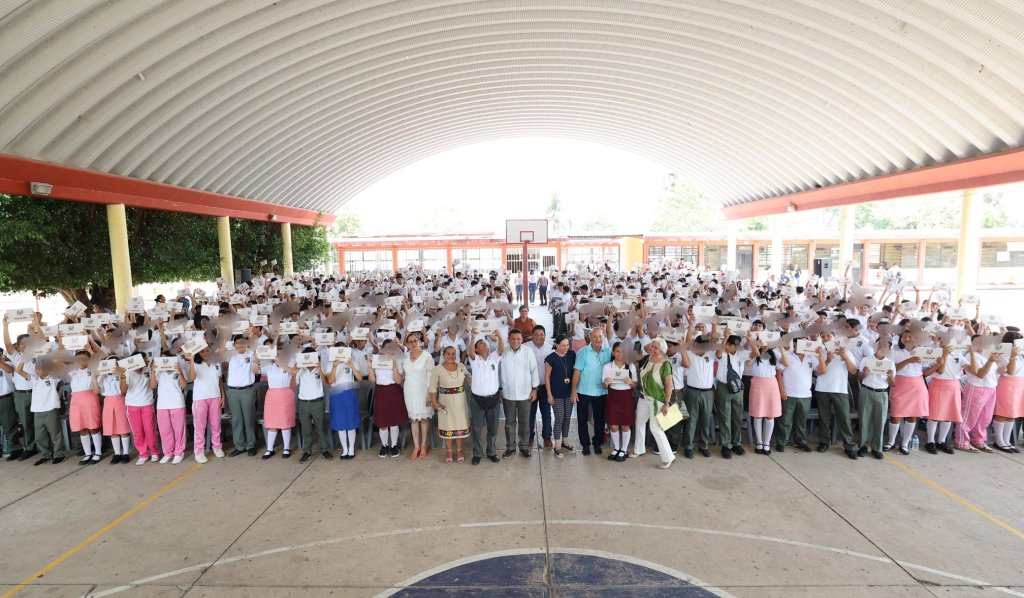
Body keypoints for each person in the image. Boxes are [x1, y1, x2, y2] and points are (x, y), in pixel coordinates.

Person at [813, 332, 859, 459]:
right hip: (822, 389)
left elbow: (853, 371)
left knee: (844, 418)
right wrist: (827, 359)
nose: (826, 338)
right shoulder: (820, 352)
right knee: (824, 418)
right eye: (823, 337)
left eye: (828, 336)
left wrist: (844, 356)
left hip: (840, 389)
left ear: (835, 338)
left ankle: (849, 446)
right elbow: (818, 373)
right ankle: (824, 442)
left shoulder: (846, 352)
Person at [16, 356, 65, 465]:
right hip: (37, 410)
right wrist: (24, 358)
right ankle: (46, 454)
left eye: (40, 368)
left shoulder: (53, 378)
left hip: (50, 409)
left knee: (55, 433)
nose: (36, 369)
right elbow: (18, 370)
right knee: (40, 435)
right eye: (36, 367)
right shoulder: (34, 378)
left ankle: (59, 454)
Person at [571, 327, 611, 455]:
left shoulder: (609, 352)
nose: (598, 339)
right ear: (590, 338)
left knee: (600, 420)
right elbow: (577, 372)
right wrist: (573, 391)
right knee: (582, 420)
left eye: (600, 336)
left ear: (603, 337)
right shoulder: (583, 352)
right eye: (595, 337)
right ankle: (585, 445)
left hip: (601, 392)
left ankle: (597, 443)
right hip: (584, 391)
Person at [887, 330, 930, 454]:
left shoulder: (922, 351)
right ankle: (891, 441)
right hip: (900, 383)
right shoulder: (895, 351)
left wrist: (938, 364)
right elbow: (892, 367)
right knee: (896, 414)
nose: (907, 339)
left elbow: (925, 371)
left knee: (912, 415)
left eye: (910, 336)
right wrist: (909, 360)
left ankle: (905, 443)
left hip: (917, 384)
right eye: (904, 337)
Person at [500, 328, 539, 458]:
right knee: (509, 422)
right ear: (508, 339)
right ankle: (510, 447)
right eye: (513, 339)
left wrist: (535, 389)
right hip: (508, 394)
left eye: (518, 339)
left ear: (522, 340)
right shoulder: (503, 352)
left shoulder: (528, 352)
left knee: (524, 421)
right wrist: (500, 389)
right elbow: (499, 372)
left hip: (525, 393)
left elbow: (534, 370)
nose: (515, 341)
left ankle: (523, 446)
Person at [427, 346, 471, 464]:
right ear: (443, 355)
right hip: (445, 402)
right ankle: (449, 451)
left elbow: (470, 381)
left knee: (459, 426)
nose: (451, 356)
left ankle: (459, 450)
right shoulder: (437, 369)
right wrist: (434, 402)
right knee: (448, 426)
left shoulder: (461, 367)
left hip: (460, 400)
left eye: (453, 354)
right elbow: (432, 387)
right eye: (448, 354)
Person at [775, 337, 819, 453]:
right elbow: (778, 374)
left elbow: (820, 371)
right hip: (789, 394)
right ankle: (781, 442)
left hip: (805, 395)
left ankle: (801, 442)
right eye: (800, 343)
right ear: (794, 344)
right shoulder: (786, 356)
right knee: (785, 420)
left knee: (802, 420)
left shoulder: (811, 358)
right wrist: (782, 390)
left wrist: (823, 356)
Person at [678, 330, 717, 459]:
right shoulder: (689, 354)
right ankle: (688, 446)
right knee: (691, 421)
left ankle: (704, 446)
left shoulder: (711, 354)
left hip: (707, 393)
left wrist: (714, 326)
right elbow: (687, 341)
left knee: (705, 420)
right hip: (692, 392)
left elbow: (714, 342)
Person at [638, 338, 676, 469]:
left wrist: (666, 403)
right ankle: (639, 449)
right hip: (644, 398)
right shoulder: (647, 359)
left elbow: (669, 386)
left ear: (662, 350)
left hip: (657, 401)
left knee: (655, 429)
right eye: (652, 346)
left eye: (655, 348)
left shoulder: (666, 364)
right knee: (640, 422)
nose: (652, 349)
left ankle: (668, 457)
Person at [957, 336, 1000, 453]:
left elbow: (995, 373)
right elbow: (980, 374)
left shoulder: (988, 355)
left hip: (991, 389)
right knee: (968, 418)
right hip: (976, 389)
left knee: (985, 418)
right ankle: (962, 442)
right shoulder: (970, 356)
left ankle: (979, 441)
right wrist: (991, 361)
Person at [293, 347, 334, 463]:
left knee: (320, 427)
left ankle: (324, 449)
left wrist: (319, 369)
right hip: (304, 403)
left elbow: (326, 384)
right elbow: (292, 387)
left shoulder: (320, 369)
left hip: (317, 402)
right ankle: (307, 451)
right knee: (306, 429)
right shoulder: (300, 371)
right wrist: (294, 373)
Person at [714, 332, 751, 459]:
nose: (726, 346)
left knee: (737, 416)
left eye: (729, 345)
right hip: (724, 386)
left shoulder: (741, 354)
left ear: (736, 346)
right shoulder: (723, 353)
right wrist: (724, 338)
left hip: (738, 388)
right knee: (725, 417)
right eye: (727, 344)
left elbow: (756, 354)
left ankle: (736, 443)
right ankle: (725, 445)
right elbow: (718, 352)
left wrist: (750, 339)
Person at [185, 347, 225, 464]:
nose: (206, 353)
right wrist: (191, 360)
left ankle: (217, 447)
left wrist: (223, 395)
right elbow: (192, 378)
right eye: (202, 351)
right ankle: (199, 451)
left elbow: (219, 379)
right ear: (198, 353)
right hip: (200, 399)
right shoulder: (195, 364)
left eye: (208, 350)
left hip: (215, 397)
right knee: (200, 427)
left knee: (216, 425)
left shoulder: (215, 363)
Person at [469, 333, 504, 463]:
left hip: (493, 399)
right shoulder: (474, 360)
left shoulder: (494, 358)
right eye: (481, 344)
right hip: (477, 400)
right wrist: (473, 337)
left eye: (486, 343)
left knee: (493, 428)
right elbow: (471, 352)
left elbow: (501, 350)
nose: (485, 344)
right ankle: (477, 453)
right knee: (477, 428)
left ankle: (491, 452)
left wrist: (499, 337)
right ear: (477, 349)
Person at [368, 340, 407, 458]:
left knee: (394, 421)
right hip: (381, 391)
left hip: (394, 391)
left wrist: (394, 365)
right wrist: (370, 368)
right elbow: (372, 380)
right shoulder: (376, 359)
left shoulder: (398, 359)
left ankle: (394, 445)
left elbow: (399, 380)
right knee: (383, 422)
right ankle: (384, 445)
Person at [857, 339, 895, 460]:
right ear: (876, 345)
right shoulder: (866, 359)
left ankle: (876, 448)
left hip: (882, 393)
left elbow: (893, 383)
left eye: (885, 346)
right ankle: (862, 446)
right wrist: (865, 373)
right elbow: (860, 378)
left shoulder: (890, 363)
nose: (881, 347)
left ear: (889, 349)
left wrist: (890, 377)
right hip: (866, 391)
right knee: (864, 419)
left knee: (880, 421)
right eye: (880, 344)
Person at [748, 335, 785, 455]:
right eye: (762, 343)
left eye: (767, 343)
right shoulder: (754, 353)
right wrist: (756, 345)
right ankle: (759, 442)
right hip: (757, 384)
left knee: (770, 415)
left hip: (771, 385)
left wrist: (781, 347)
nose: (765, 346)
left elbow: (786, 363)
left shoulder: (775, 354)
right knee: (758, 415)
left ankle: (766, 443)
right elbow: (748, 363)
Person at [149, 353, 188, 464]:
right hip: (162, 405)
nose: (164, 360)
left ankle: (179, 452)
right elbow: (152, 386)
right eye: (162, 358)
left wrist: (179, 371)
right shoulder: (158, 372)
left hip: (177, 404)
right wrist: (152, 370)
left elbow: (185, 386)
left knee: (179, 430)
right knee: (165, 431)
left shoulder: (178, 369)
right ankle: (168, 453)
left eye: (166, 358)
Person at [225, 335, 260, 456]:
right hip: (233, 392)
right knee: (236, 420)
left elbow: (255, 370)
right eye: (237, 343)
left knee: (249, 418)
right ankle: (239, 446)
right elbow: (220, 350)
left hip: (247, 390)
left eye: (243, 342)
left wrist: (255, 362)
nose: (240, 345)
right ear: (234, 345)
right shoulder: (230, 354)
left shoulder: (251, 354)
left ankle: (251, 445)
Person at [602, 341, 637, 462]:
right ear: (613, 352)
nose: (620, 354)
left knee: (625, 425)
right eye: (617, 351)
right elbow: (604, 385)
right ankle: (616, 448)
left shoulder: (630, 366)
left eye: (622, 351)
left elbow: (635, 384)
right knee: (613, 425)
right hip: (613, 397)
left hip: (626, 398)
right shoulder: (607, 367)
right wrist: (606, 383)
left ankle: (624, 449)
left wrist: (631, 382)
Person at [925, 341, 962, 454]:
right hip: (938, 385)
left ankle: (941, 441)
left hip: (953, 386)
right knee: (934, 415)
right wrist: (944, 354)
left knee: (948, 415)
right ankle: (930, 441)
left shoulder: (957, 354)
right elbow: (940, 371)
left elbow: (969, 368)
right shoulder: (934, 353)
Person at [402, 332, 435, 460]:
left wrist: (429, 394)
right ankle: (416, 446)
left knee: (424, 419)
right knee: (414, 419)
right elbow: (402, 375)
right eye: (411, 341)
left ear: (420, 341)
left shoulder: (427, 356)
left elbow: (431, 377)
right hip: (410, 391)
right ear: (407, 344)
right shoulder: (404, 357)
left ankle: (424, 444)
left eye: (416, 340)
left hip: (423, 391)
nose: (414, 343)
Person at [68, 349, 103, 465]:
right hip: (76, 401)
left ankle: (98, 452)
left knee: (93, 426)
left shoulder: (94, 370)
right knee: (82, 428)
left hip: (90, 398)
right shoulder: (71, 371)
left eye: (84, 358)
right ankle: (88, 453)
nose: (81, 361)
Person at [94, 358, 131, 464]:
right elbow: (96, 391)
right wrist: (95, 377)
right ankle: (117, 453)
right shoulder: (102, 376)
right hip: (108, 402)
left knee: (123, 428)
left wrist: (120, 374)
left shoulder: (121, 374)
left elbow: (124, 389)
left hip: (120, 400)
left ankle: (125, 453)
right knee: (112, 429)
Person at [328, 347, 363, 460]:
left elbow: (360, 378)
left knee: (350, 423)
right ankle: (345, 449)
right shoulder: (330, 364)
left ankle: (351, 449)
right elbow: (330, 381)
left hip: (349, 394)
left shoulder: (352, 361)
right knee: (340, 424)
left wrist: (351, 365)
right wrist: (334, 366)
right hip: (337, 395)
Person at [545, 335, 576, 458]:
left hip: (568, 392)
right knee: (559, 417)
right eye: (563, 345)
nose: (566, 348)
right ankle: (557, 445)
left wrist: (575, 390)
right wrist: (549, 394)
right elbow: (546, 378)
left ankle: (565, 441)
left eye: (567, 345)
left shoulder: (572, 355)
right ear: (556, 345)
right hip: (556, 393)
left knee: (567, 417)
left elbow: (576, 371)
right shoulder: (550, 358)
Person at [993, 333, 1022, 453]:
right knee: (1002, 413)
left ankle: (1007, 441)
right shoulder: (1002, 354)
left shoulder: (1021, 355)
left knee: (1012, 414)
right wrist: (1013, 356)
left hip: (1019, 385)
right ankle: (999, 441)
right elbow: (1011, 371)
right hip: (1007, 384)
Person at [262, 356, 296, 459]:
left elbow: (294, 372)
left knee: (285, 422)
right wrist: (255, 362)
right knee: (272, 423)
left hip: (285, 394)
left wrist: (281, 363)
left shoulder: (290, 363)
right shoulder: (269, 366)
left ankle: (286, 448)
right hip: (272, 396)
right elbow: (255, 370)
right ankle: (270, 449)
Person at [528, 325, 554, 449]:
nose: (539, 337)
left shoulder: (550, 348)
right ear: (532, 335)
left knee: (546, 413)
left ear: (545, 335)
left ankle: (547, 437)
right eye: (536, 334)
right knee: (530, 413)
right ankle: (529, 437)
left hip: (545, 386)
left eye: (541, 334)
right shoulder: (526, 347)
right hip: (530, 387)